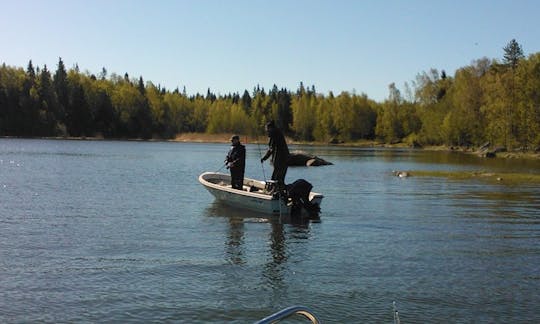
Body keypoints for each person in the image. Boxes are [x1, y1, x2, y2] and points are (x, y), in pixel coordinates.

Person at [260, 120, 289, 191]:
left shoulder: (274, 134)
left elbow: (271, 149)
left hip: (279, 161)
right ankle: (282, 193)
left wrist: (264, 158)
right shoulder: (279, 133)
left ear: (270, 128)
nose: (266, 131)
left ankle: (273, 193)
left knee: (274, 179)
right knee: (280, 179)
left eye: (267, 129)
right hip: (286, 160)